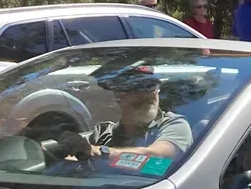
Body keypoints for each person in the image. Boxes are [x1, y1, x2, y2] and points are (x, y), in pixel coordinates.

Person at [59, 66, 193, 168]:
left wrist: (100, 153)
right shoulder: (104, 133)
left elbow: (158, 162)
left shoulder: (174, 125)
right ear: (119, 96)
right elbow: (73, 151)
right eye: (140, 87)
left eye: (153, 87)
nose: (151, 95)